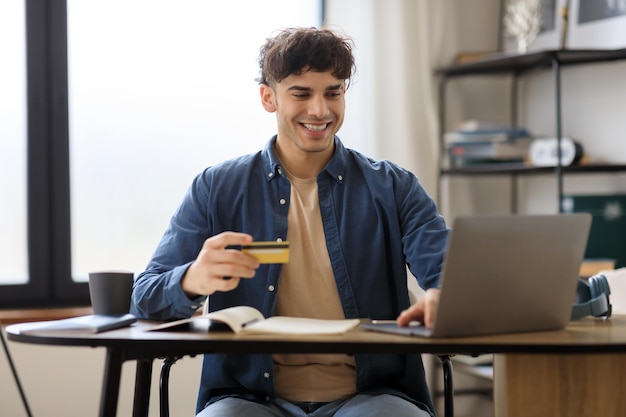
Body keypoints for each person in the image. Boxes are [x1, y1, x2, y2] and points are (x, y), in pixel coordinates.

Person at [131, 27, 449, 417]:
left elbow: (450, 273)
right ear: (269, 98)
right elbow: (143, 297)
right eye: (301, 93)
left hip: (373, 397)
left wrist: (444, 296)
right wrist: (192, 279)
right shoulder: (217, 187)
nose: (320, 110)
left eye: (333, 92)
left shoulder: (393, 186)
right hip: (248, 399)